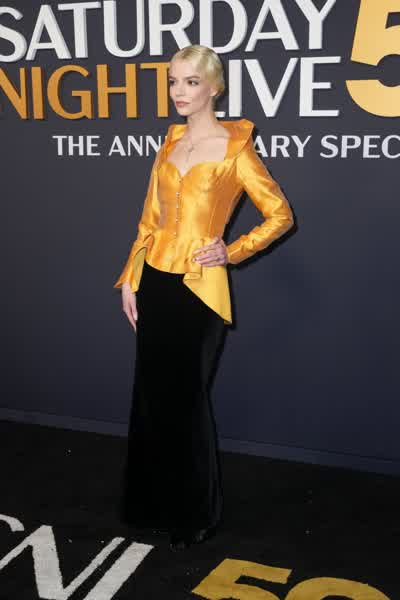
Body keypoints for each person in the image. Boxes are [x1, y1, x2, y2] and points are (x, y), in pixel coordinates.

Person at [114, 44, 294, 551]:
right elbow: (149, 220)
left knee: (187, 402)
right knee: (150, 396)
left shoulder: (235, 149)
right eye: (174, 81)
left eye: (191, 82)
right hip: (155, 281)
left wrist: (231, 251)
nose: (179, 91)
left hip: (199, 289)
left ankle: (195, 514)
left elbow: (280, 215)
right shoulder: (169, 143)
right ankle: (149, 504)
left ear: (214, 87)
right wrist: (129, 278)